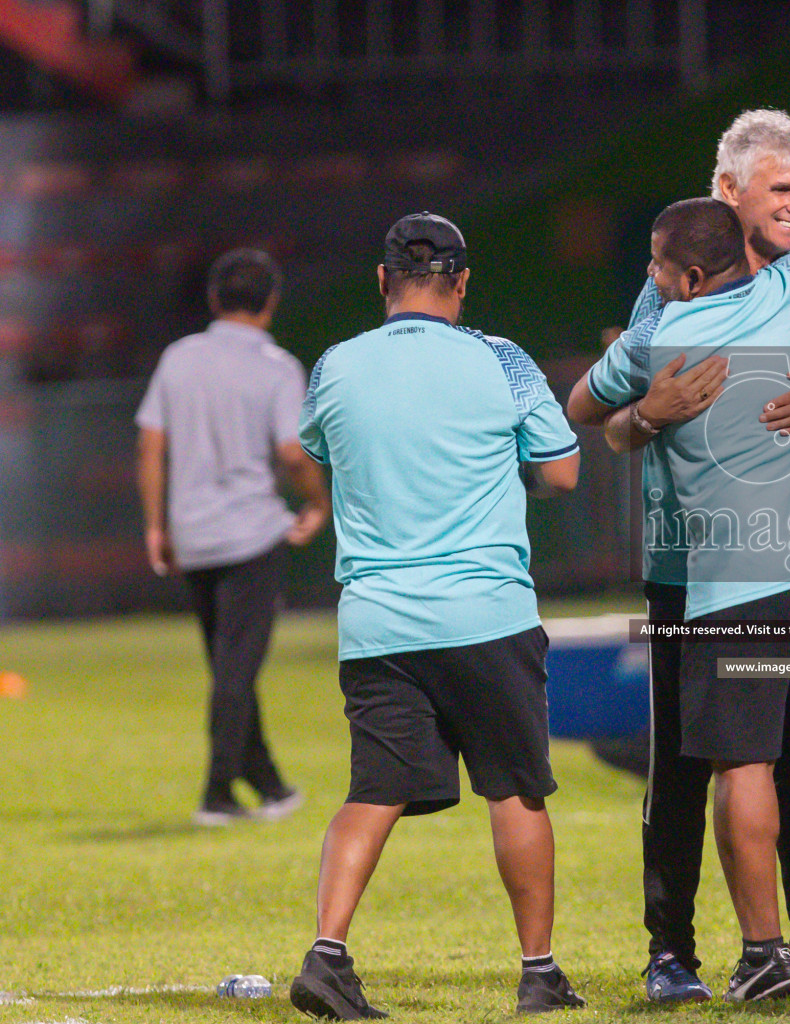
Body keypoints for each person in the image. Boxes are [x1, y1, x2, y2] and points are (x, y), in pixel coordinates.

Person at [567, 108, 790, 1003]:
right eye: (779, 190)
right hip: (707, 565)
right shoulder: (694, 289)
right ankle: (675, 949)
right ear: (727, 192)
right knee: (694, 763)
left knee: (768, 758)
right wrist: (646, 418)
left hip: (738, 572)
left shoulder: (789, 287)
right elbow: (611, 425)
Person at [286, 212, 585, 1019]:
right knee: (517, 790)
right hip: (486, 611)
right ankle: (538, 973)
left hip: (379, 621)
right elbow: (560, 473)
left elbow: (313, 448)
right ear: (461, 283)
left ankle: (328, 954)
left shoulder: (337, 366)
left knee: (372, 792)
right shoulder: (502, 361)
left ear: (382, 280)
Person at [134, 248, 329, 826]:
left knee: (230, 666)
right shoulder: (276, 365)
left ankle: (265, 783)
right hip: (250, 532)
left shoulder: (178, 358)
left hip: (192, 532)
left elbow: (151, 444)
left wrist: (155, 524)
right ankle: (217, 794)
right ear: (270, 303)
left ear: (215, 299)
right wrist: (318, 502)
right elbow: (292, 451)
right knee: (237, 669)